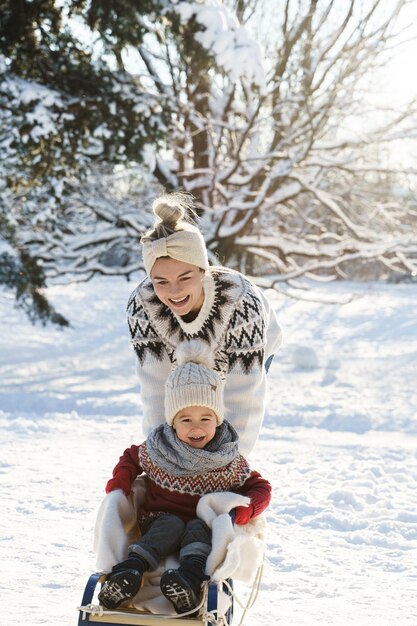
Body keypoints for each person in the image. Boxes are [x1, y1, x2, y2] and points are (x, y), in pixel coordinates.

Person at [98, 341, 271, 614]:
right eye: (186, 419)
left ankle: (186, 583)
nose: (197, 428)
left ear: (217, 420)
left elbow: (260, 486)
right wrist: (119, 485)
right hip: (158, 521)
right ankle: (128, 573)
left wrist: (244, 510)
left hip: (200, 525)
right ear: (172, 421)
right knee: (169, 525)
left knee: (198, 531)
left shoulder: (226, 459)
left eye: (206, 418)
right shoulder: (159, 450)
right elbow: (131, 458)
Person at [127, 191, 282, 457]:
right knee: (185, 421)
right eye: (160, 281)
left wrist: (230, 470)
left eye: (185, 277)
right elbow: (155, 391)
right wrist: (161, 460)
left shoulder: (241, 301)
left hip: (247, 349)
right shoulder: (143, 305)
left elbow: (244, 398)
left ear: (203, 270)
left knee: (217, 414)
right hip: (180, 359)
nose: (174, 291)